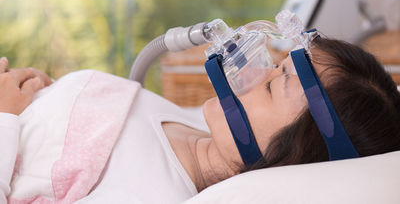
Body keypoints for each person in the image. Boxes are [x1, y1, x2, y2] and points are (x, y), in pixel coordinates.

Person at [1, 36, 399, 204]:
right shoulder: (187, 125)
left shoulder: (148, 193)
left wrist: (5, 119)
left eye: (272, 86)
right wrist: (49, 96)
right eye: (277, 66)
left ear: (292, 154)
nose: (253, 73)